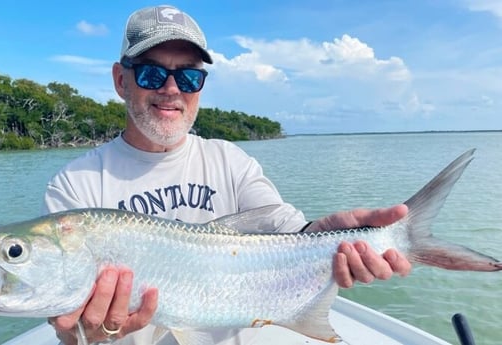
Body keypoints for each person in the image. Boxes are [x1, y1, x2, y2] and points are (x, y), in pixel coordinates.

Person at [43, 5, 412, 345]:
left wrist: (337, 239)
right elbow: (69, 330)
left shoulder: (230, 160)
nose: (171, 89)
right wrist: (83, 334)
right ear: (121, 80)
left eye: (189, 77)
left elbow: (289, 235)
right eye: (152, 73)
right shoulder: (76, 186)